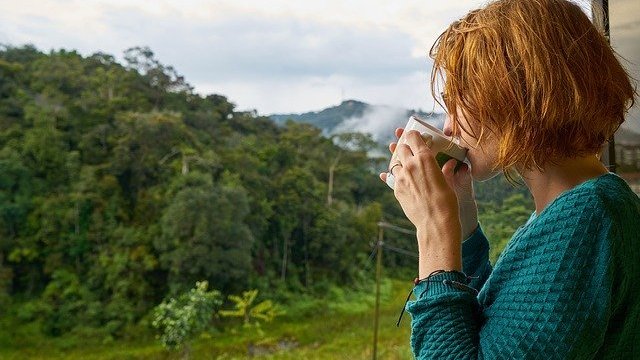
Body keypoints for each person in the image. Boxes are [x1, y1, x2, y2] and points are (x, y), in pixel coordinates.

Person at [379, 0, 639, 358]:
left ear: (514, 95)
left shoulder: (588, 218)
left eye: (457, 102)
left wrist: (434, 232)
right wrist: (462, 222)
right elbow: (503, 329)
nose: (450, 127)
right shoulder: (578, 208)